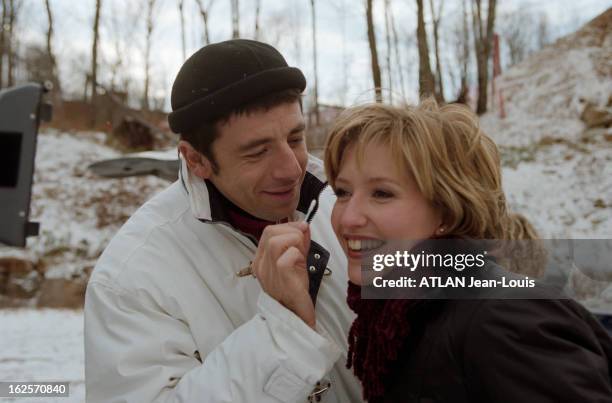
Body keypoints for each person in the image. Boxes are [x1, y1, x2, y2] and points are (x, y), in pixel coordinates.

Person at [84, 39, 362, 402]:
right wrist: (284, 330)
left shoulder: (349, 202)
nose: (292, 168)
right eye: (257, 151)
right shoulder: (129, 280)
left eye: (295, 137)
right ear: (196, 160)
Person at [321, 99, 612, 402]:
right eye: (343, 192)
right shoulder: (398, 322)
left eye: (382, 193)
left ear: (447, 211)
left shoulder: (502, 317)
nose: (349, 217)